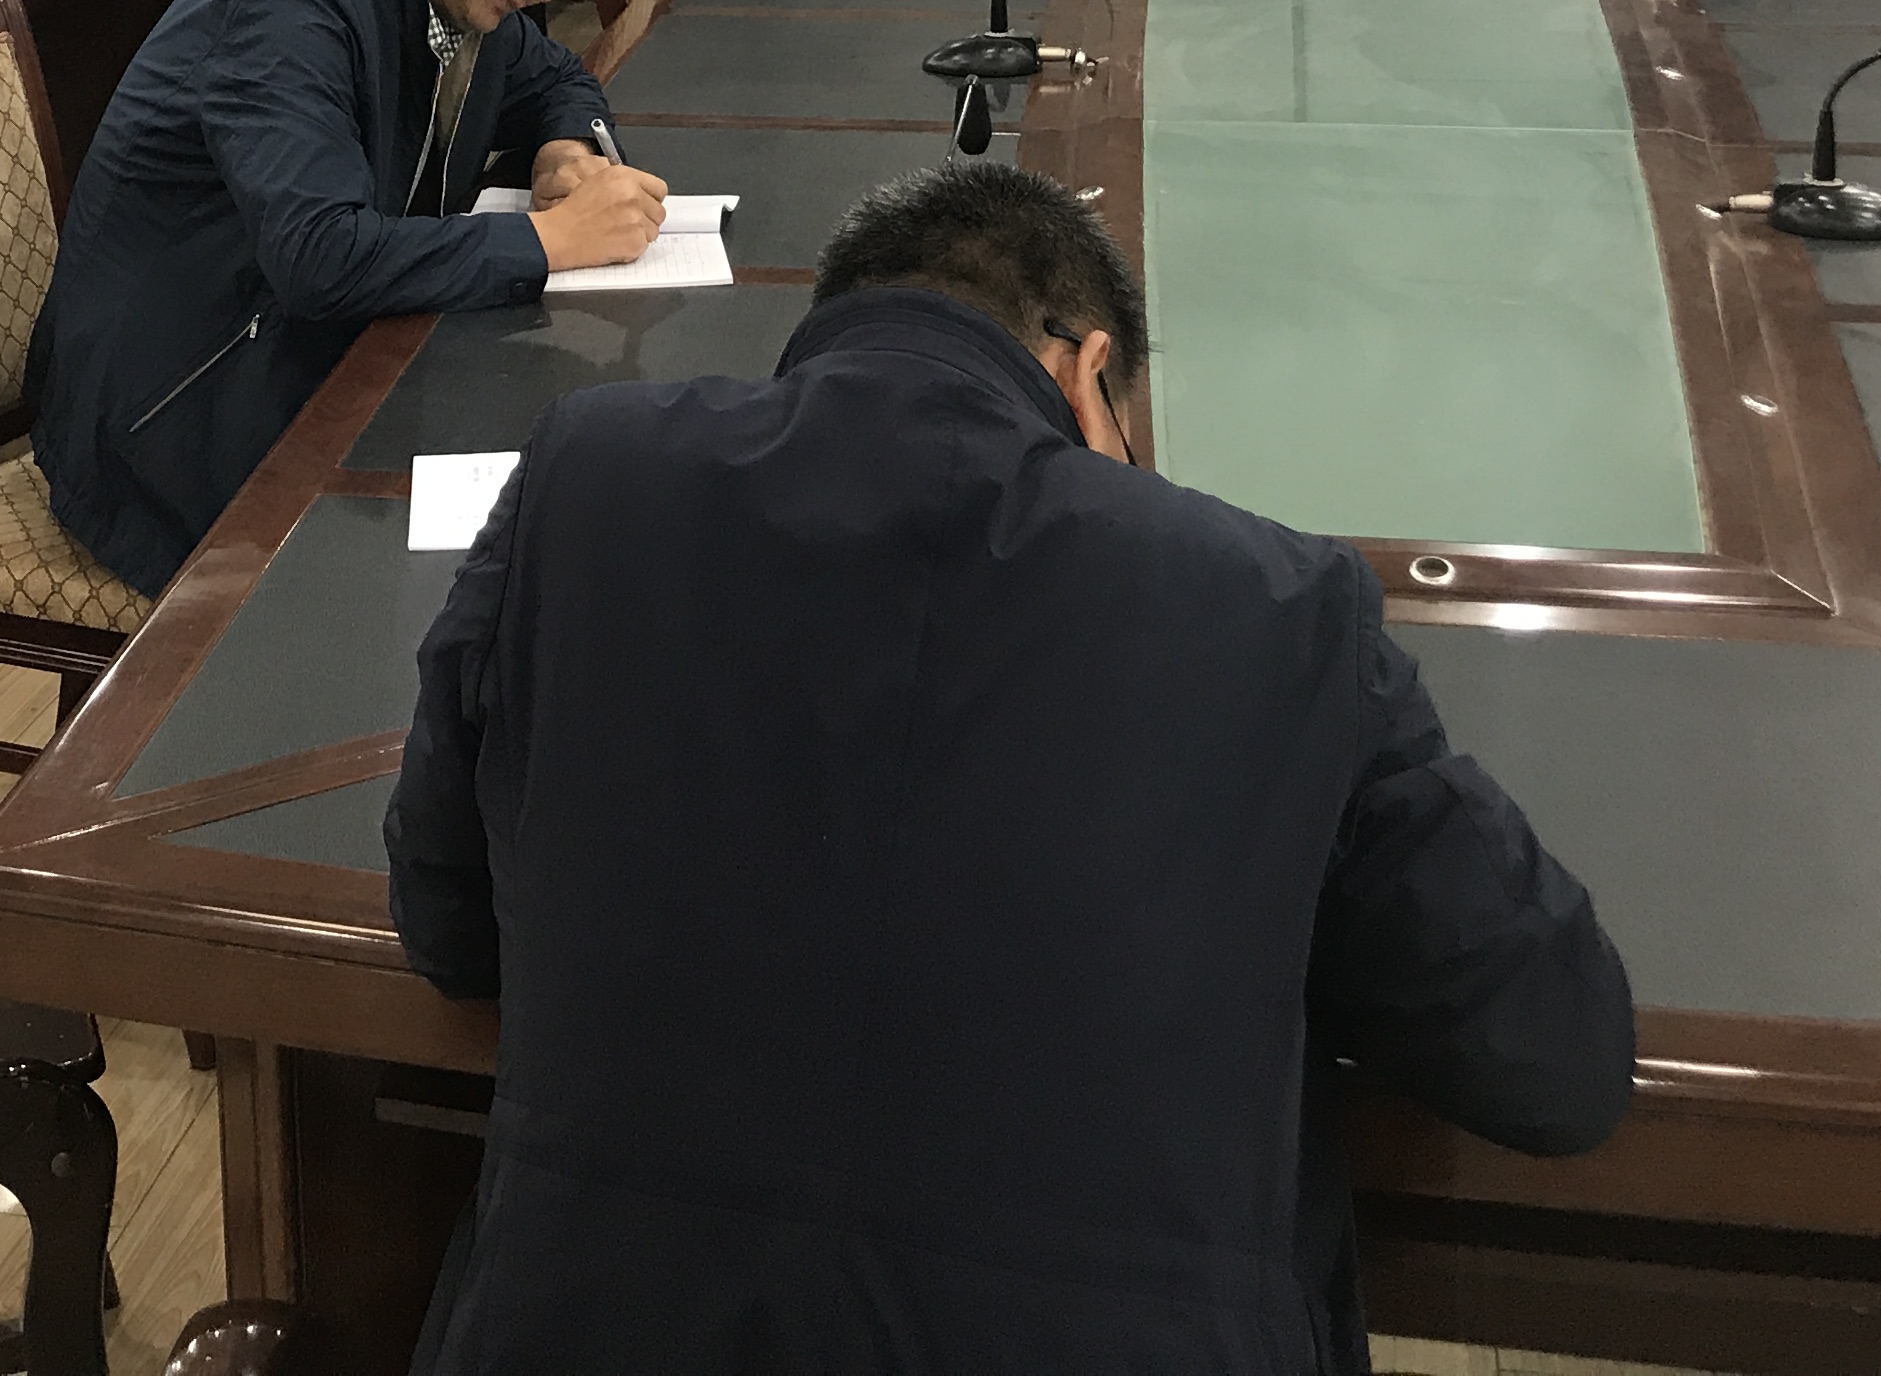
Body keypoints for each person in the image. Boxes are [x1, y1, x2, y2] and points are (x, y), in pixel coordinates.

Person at [387, 159, 1635, 1374]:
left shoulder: (584, 471)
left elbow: (451, 929)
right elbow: (1555, 1061)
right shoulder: (1277, 604)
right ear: (1090, 376)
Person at [28, 0, 667, 592]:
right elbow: (320, 255)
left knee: (586, 480)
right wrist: (553, 240)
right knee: (512, 563)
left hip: (315, 360)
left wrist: (564, 150)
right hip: (173, 417)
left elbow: (557, 79)